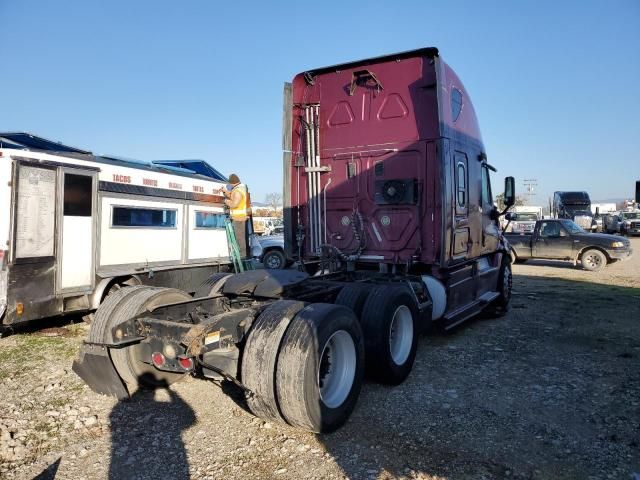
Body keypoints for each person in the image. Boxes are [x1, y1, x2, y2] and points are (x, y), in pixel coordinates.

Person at [218, 173, 251, 258]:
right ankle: (244, 254)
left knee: (240, 239)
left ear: (232, 182)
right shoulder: (239, 189)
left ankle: (242, 256)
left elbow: (234, 204)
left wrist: (225, 201)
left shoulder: (237, 191)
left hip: (239, 218)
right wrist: (225, 191)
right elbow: (233, 196)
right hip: (241, 217)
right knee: (241, 238)